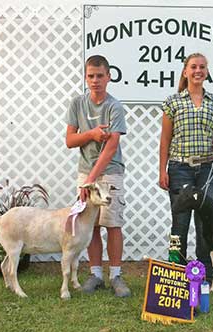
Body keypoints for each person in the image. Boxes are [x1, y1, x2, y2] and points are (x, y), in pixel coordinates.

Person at [159, 52, 213, 282]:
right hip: (180, 169)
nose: (198, 70)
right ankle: (175, 270)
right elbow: (165, 139)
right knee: (180, 221)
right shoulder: (173, 102)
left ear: (207, 71)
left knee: (204, 221)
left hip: (209, 169)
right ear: (185, 71)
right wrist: (162, 170)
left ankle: (205, 274)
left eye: (202, 67)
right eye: (193, 67)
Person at [65, 55, 130, 297]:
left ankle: (115, 275)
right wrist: (91, 134)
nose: (95, 80)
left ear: (109, 76)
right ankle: (95, 274)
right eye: (91, 76)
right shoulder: (77, 104)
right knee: (90, 225)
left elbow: (111, 147)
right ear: (85, 77)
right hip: (85, 172)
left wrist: (91, 180)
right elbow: (70, 140)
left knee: (112, 224)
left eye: (100, 75)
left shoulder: (114, 106)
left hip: (110, 173)